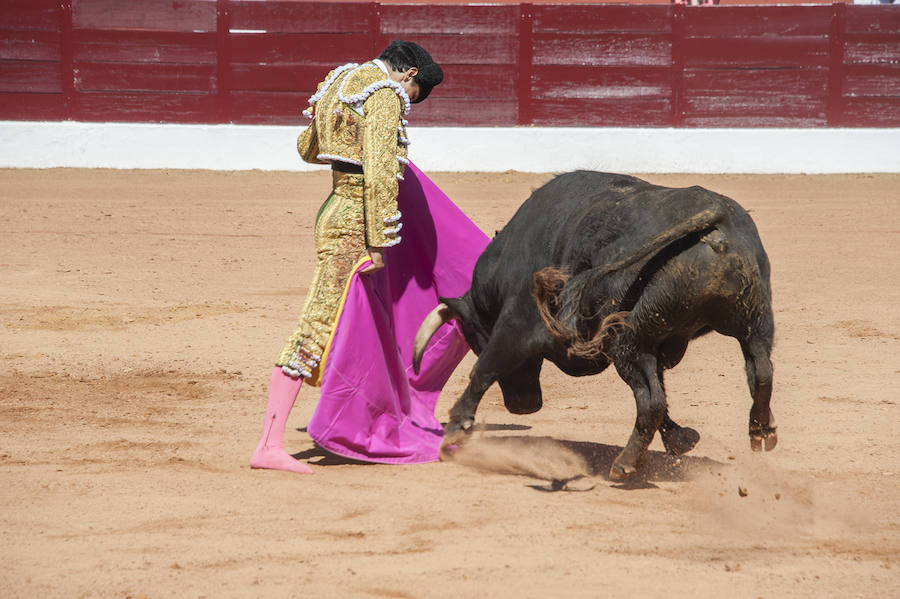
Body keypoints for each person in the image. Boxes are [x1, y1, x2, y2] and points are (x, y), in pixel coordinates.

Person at [250, 40, 480, 474]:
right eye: (413, 94)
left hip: (333, 209)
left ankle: (359, 414)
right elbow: (380, 173)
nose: (408, 100)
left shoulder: (339, 79)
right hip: (356, 224)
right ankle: (268, 445)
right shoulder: (385, 93)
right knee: (317, 325)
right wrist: (379, 241)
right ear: (409, 73)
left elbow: (308, 148)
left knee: (353, 323)